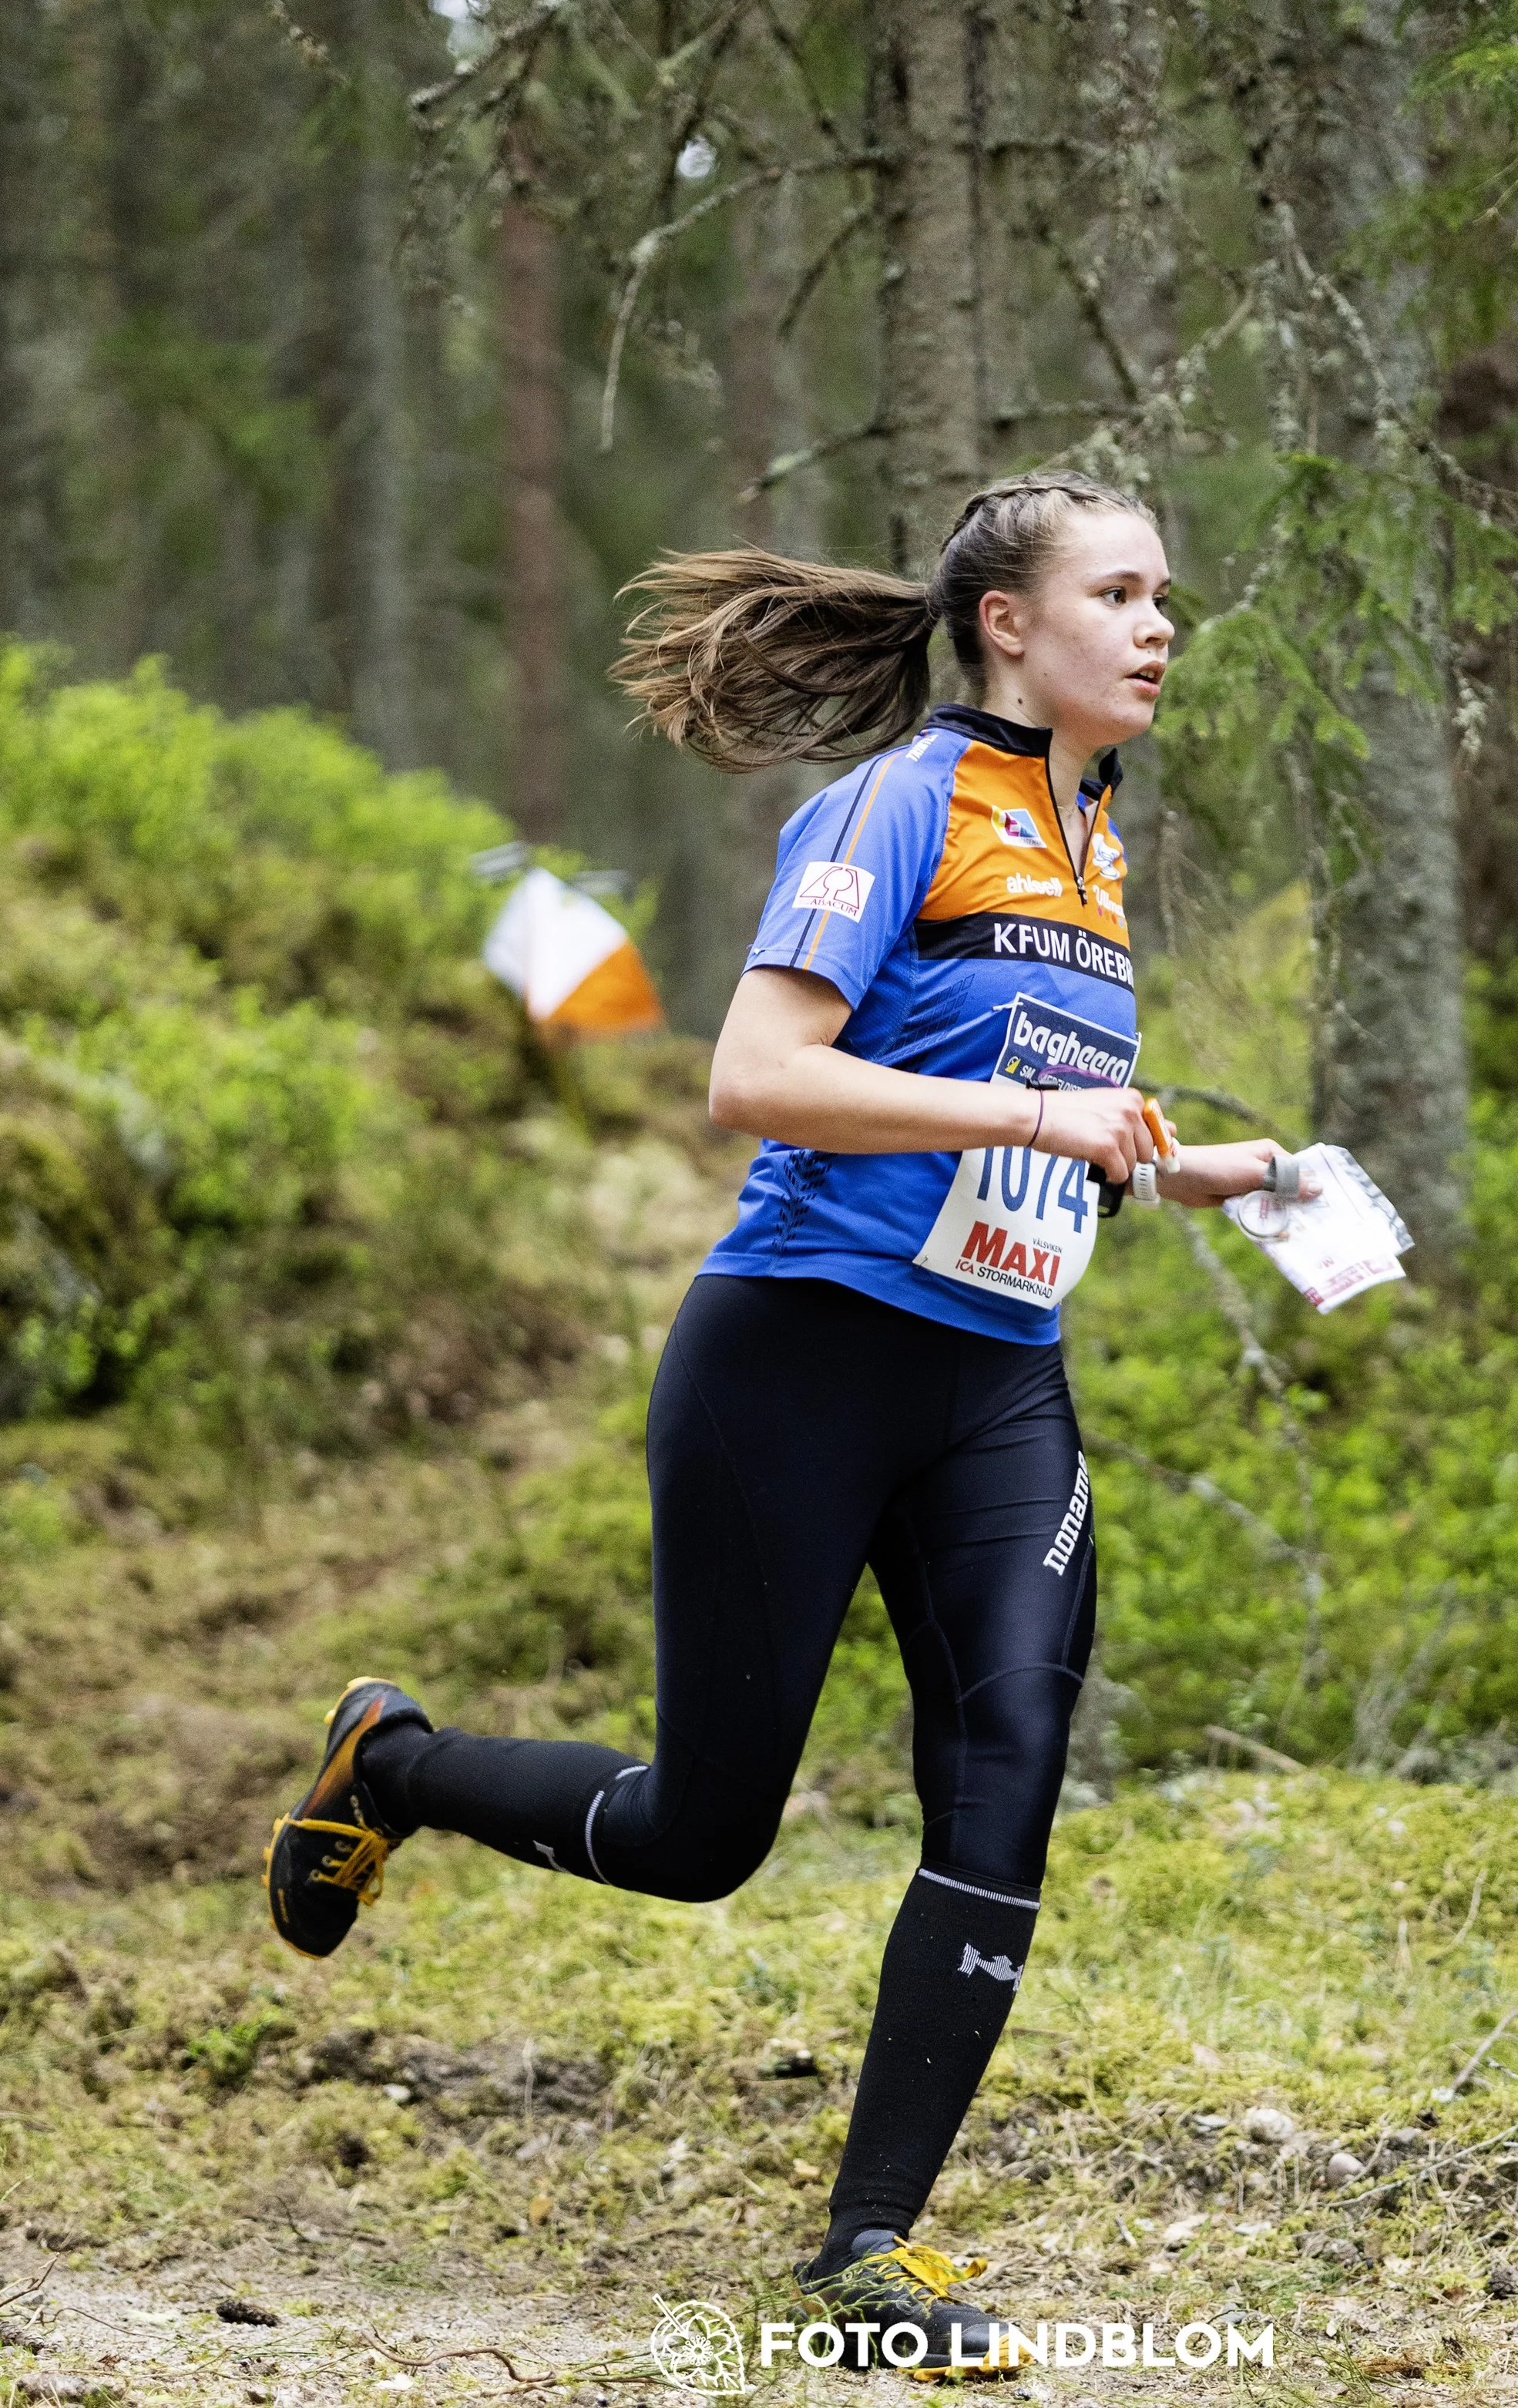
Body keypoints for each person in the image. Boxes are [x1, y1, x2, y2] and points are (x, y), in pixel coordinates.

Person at [264, 471, 1309, 2373]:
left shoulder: (1086, 831)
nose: (1162, 626)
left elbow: (1005, 1083)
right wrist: (1034, 1123)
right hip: (798, 1359)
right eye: (1123, 592)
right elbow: (760, 1071)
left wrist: (1176, 1159)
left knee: (1003, 1769)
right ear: (1008, 622)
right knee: (702, 1831)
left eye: (1168, 594)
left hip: (996, 1375)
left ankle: (866, 2246)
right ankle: (392, 1765)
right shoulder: (895, 800)